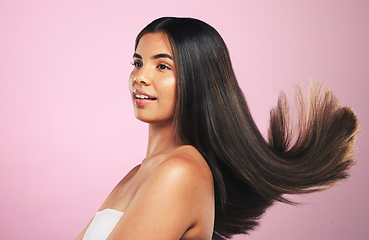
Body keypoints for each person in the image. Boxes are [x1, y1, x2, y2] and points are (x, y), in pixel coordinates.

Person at [76, 17, 359, 240]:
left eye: (162, 66)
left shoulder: (180, 172)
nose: (140, 77)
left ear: (197, 79)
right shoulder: (138, 174)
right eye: (138, 63)